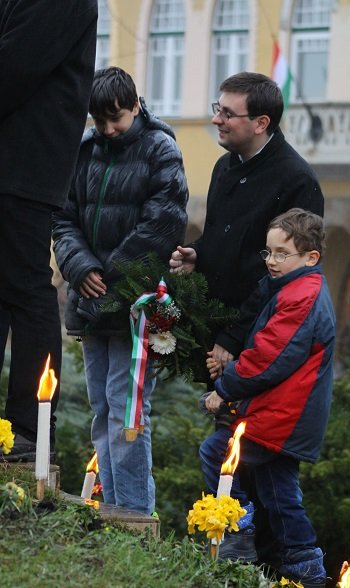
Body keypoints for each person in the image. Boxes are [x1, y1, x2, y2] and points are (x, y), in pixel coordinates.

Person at [170, 71, 325, 560]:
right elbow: (224, 239)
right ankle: (257, 556)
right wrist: (198, 254)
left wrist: (234, 339)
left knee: (242, 461)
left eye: (226, 113)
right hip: (224, 339)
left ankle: (250, 554)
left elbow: (281, 275)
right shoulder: (223, 166)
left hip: (255, 344)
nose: (215, 119)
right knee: (244, 461)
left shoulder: (296, 179)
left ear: (261, 122)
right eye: (217, 107)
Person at [52, 67, 189, 515]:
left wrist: (110, 277)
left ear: (135, 106)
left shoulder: (161, 149)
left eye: (117, 119)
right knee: (102, 408)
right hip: (90, 300)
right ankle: (111, 508)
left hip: (134, 306)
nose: (109, 129)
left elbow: (163, 223)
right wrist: (80, 267)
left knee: (127, 409)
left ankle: (133, 515)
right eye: (100, 121)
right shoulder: (84, 152)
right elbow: (63, 217)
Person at [199, 208, 336, 588]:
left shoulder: (301, 296)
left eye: (281, 253)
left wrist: (223, 389)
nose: (272, 261)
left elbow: (268, 358)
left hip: (283, 415)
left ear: (311, 258)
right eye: (268, 252)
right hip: (285, 414)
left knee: (215, 452)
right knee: (280, 492)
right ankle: (305, 569)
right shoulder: (295, 288)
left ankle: (237, 536)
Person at [0, 0, 98, 461]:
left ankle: (29, 428)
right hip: (14, 163)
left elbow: (15, 67)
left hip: (24, 164)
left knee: (26, 289)